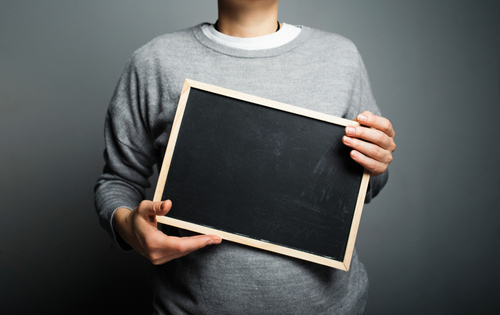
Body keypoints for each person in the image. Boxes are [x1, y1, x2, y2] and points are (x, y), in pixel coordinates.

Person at [94, 0, 396, 314]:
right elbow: (117, 180)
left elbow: (363, 190)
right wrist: (129, 227)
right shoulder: (154, 62)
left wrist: (375, 165)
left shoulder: (340, 58)